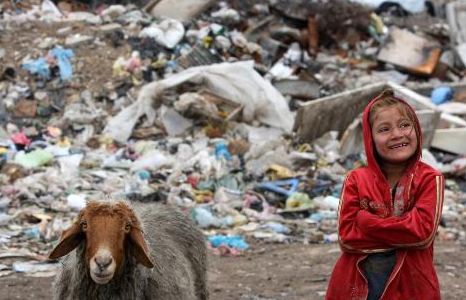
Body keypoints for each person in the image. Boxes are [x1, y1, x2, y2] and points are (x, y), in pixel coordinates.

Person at [326, 89, 444, 300]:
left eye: (405, 125)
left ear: (416, 128)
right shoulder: (356, 180)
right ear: (370, 138)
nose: (397, 134)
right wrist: (402, 228)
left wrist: (367, 221)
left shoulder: (429, 178)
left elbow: (421, 235)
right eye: (384, 129)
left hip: (412, 287)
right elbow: (348, 239)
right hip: (357, 286)